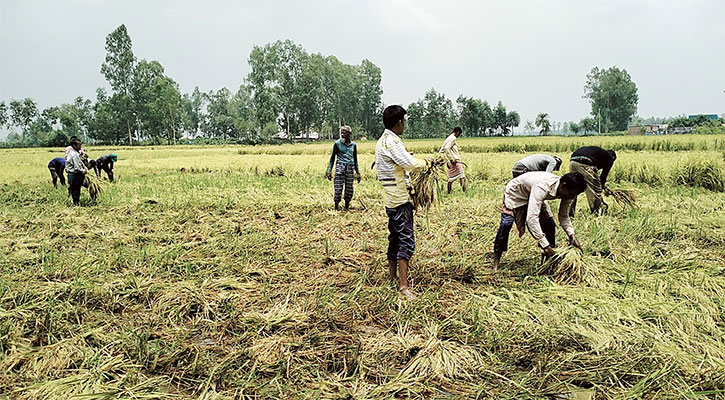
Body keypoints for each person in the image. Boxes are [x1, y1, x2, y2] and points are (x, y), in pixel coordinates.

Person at [376, 105, 426, 300]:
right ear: (399, 123)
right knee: (406, 239)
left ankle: (392, 276)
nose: (404, 124)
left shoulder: (382, 141)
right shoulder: (392, 142)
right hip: (400, 199)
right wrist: (427, 162)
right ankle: (403, 287)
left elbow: (400, 161)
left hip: (390, 198)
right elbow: (410, 164)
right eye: (403, 121)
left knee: (395, 237)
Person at [492, 171, 586, 273]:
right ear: (563, 186)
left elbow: (563, 216)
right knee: (506, 224)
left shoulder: (568, 192)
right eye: (571, 194)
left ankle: (546, 264)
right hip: (516, 195)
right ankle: (496, 264)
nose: (572, 197)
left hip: (534, 196)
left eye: (575, 195)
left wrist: (572, 235)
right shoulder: (542, 186)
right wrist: (545, 245)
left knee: (549, 224)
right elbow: (532, 219)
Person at [569, 146, 617, 216]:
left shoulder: (598, 153)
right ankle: (596, 213)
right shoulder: (609, 158)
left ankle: (569, 213)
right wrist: (601, 187)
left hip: (573, 162)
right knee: (594, 190)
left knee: (573, 188)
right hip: (585, 162)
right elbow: (603, 176)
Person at [326, 126, 361, 210]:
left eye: (344, 132)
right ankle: (336, 206)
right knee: (338, 188)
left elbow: (355, 159)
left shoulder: (353, 145)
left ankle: (346, 207)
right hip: (340, 167)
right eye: (341, 132)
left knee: (349, 189)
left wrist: (358, 172)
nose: (342, 134)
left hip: (350, 168)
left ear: (349, 134)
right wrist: (329, 170)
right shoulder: (337, 144)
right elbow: (332, 158)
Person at [439, 127, 466, 194]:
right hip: (455, 161)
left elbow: (442, 150)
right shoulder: (453, 138)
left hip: (449, 161)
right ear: (457, 132)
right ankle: (464, 193)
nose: (458, 136)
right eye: (459, 134)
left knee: (450, 179)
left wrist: (448, 160)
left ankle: (448, 193)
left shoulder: (449, 137)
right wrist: (452, 159)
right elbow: (446, 148)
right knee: (462, 177)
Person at [65, 138, 88, 206]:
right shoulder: (74, 155)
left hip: (74, 174)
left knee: (76, 189)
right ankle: (76, 204)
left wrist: (84, 167)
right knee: (76, 190)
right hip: (74, 174)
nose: (80, 147)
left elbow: (80, 163)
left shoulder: (75, 153)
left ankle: (76, 202)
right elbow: (77, 168)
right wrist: (84, 171)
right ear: (74, 145)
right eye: (79, 145)